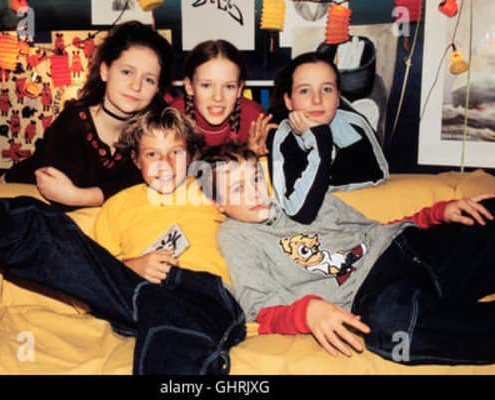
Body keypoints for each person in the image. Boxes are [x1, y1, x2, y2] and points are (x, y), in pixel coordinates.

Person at [0, 108, 245, 375]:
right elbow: (96, 273)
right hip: (137, 296)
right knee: (34, 219)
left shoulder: (209, 190)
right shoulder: (118, 204)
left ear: (190, 156)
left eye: (175, 153)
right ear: (136, 160)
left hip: (203, 295)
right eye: (152, 154)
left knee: (173, 331)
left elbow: (260, 202)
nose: (165, 163)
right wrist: (132, 267)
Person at [200, 142, 495, 365]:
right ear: (218, 204)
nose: (254, 193)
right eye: (237, 188)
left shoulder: (301, 199)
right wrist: (307, 312)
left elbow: (376, 229)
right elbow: (259, 306)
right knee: (388, 327)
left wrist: (437, 214)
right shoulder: (236, 234)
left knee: (485, 212)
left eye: (255, 179)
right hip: (375, 292)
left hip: (410, 246)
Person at [3, 21, 175, 210]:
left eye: (149, 80)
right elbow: (56, 193)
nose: (136, 86)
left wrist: (82, 197)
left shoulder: (157, 130)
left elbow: (147, 183)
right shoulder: (73, 121)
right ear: (104, 71)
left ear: (157, 89)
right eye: (127, 72)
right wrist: (81, 197)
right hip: (14, 194)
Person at [267, 51, 389, 224]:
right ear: (289, 101)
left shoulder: (355, 124)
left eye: (327, 89)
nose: (317, 100)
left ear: (338, 98)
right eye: (304, 91)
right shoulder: (281, 136)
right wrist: (320, 139)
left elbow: (379, 177)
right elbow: (299, 212)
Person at [170, 39, 276, 154]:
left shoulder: (254, 120)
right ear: (189, 86)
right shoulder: (171, 117)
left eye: (229, 86)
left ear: (239, 89)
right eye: (206, 85)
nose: (218, 97)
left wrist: (252, 154)